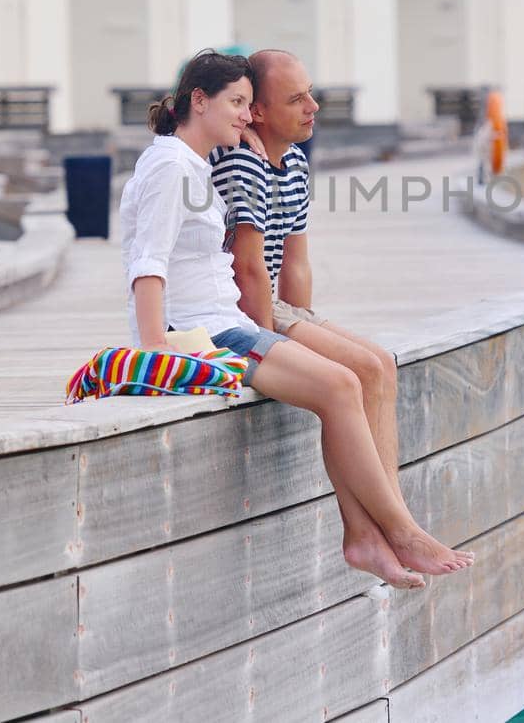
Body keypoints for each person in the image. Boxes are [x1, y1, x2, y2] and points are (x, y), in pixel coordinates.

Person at [118, 49, 473, 587]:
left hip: (222, 318)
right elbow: (149, 260)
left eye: (247, 103)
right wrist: (153, 350)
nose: (244, 113)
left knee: (349, 381)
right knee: (339, 385)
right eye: (236, 103)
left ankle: (368, 535)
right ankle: (398, 533)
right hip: (205, 329)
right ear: (198, 100)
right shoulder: (171, 167)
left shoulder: (191, 162)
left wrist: (250, 143)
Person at [210, 50, 412, 530]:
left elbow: (295, 262)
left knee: (380, 362)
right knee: (360, 367)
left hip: (276, 302)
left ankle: (389, 512)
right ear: (257, 112)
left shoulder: (294, 161)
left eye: (311, 93)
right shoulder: (242, 160)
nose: (313, 107)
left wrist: (305, 320)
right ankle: (381, 528)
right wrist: (270, 347)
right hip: (239, 305)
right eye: (297, 98)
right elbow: (247, 266)